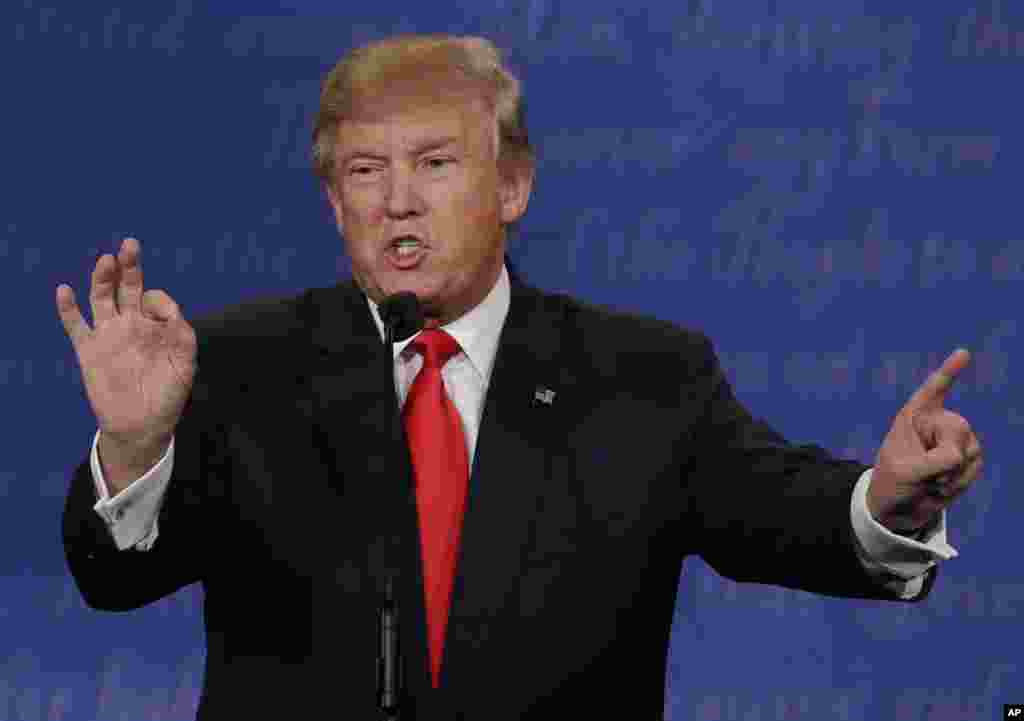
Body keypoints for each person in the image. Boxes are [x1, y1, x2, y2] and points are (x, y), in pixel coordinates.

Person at [57, 34, 983, 721]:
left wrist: (888, 498)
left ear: (512, 188)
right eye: (366, 171)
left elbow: (785, 513)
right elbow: (113, 578)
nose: (398, 200)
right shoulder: (238, 363)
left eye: (434, 163)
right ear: (335, 203)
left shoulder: (645, 377)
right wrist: (138, 443)